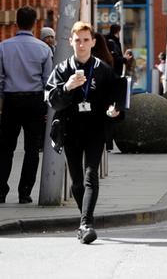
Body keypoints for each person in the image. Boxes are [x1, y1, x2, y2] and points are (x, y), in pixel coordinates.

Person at [45, 21, 124, 244]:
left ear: (93, 42)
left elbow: (116, 97)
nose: (81, 44)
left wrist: (114, 109)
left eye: (86, 40)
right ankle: (84, 221)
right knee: (77, 181)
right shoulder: (61, 70)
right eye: (77, 40)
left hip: (95, 129)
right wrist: (67, 87)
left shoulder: (103, 70)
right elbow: (52, 101)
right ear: (70, 41)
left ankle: (86, 223)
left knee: (91, 175)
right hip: (70, 129)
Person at [0, 6, 53, 204]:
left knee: (5, 147)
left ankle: (1, 191)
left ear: (16, 22)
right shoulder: (43, 49)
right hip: (35, 100)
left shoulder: (4, 47)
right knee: (32, 148)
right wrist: (48, 107)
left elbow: (0, 79)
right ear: (35, 24)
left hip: (11, 100)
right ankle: (25, 192)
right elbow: (48, 81)